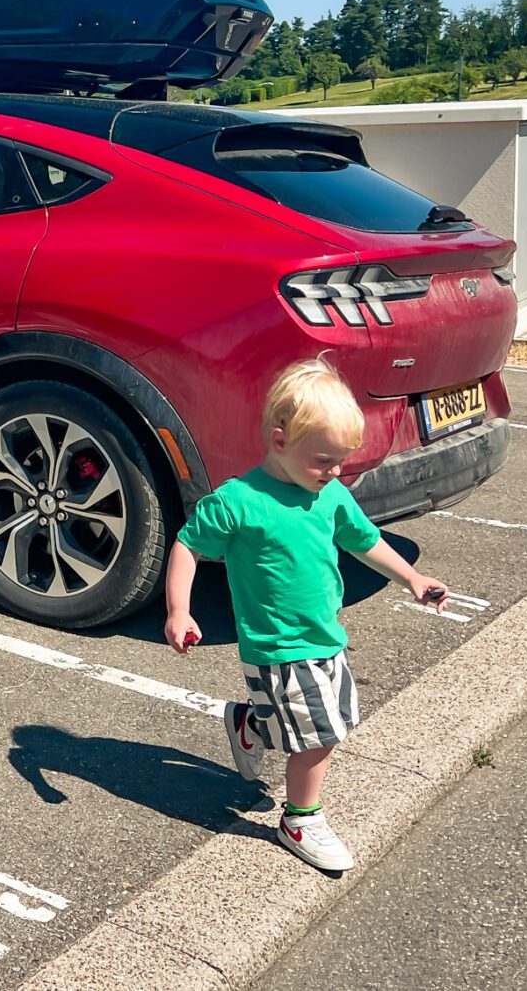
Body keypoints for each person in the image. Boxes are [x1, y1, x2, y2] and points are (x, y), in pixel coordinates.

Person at [163, 358, 449, 872]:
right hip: (277, 645)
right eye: (324, 460)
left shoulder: (330, 495)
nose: (335, 472)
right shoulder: (239, 502)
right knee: (321, 734)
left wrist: (413, 578)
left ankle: (251, 724)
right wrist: (179, 610)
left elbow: (366, 541)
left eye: (341, 460)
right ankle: (301, 819)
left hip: (326, 635)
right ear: (280, 440)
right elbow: (187, 546)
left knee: (319, 720)